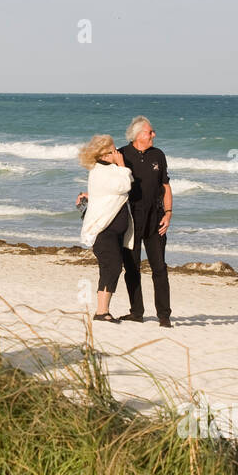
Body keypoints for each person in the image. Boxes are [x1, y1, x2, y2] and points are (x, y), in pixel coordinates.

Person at [118, 116, 174, 326]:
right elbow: (108, 179)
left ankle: (164, 315)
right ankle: (136, 312)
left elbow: (166, 186)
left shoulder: (158, 155)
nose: (153, 135)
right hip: (130, 220)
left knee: (159, 267)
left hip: (156, 220)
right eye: (150, 132)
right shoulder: (122, 154)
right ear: (139, 134)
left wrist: (168, 213)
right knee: (132, 268)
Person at [78, 134, 134, 323]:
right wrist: (122, 164)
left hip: (113, 230)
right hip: (104, 230)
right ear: (102, 154)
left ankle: (103, 311)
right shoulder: (100, 171)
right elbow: (125, 185)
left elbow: (124, 181)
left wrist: (118, 165)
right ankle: (102, 311)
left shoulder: (108, 169)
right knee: (113, 266)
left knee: (110, 268)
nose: (116, 152)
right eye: (112, 151)